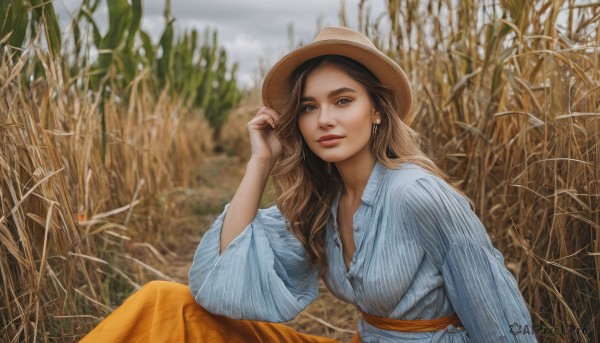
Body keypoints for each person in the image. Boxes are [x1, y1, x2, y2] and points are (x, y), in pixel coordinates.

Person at [81, 27, 536, 343]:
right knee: (165, 304)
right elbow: (223, 282)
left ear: (376, 111)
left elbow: (497, 312)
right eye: (308, 107)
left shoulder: (418, 194)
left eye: (343, 101)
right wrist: (260, 162)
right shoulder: (325, 199)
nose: (325, 120)